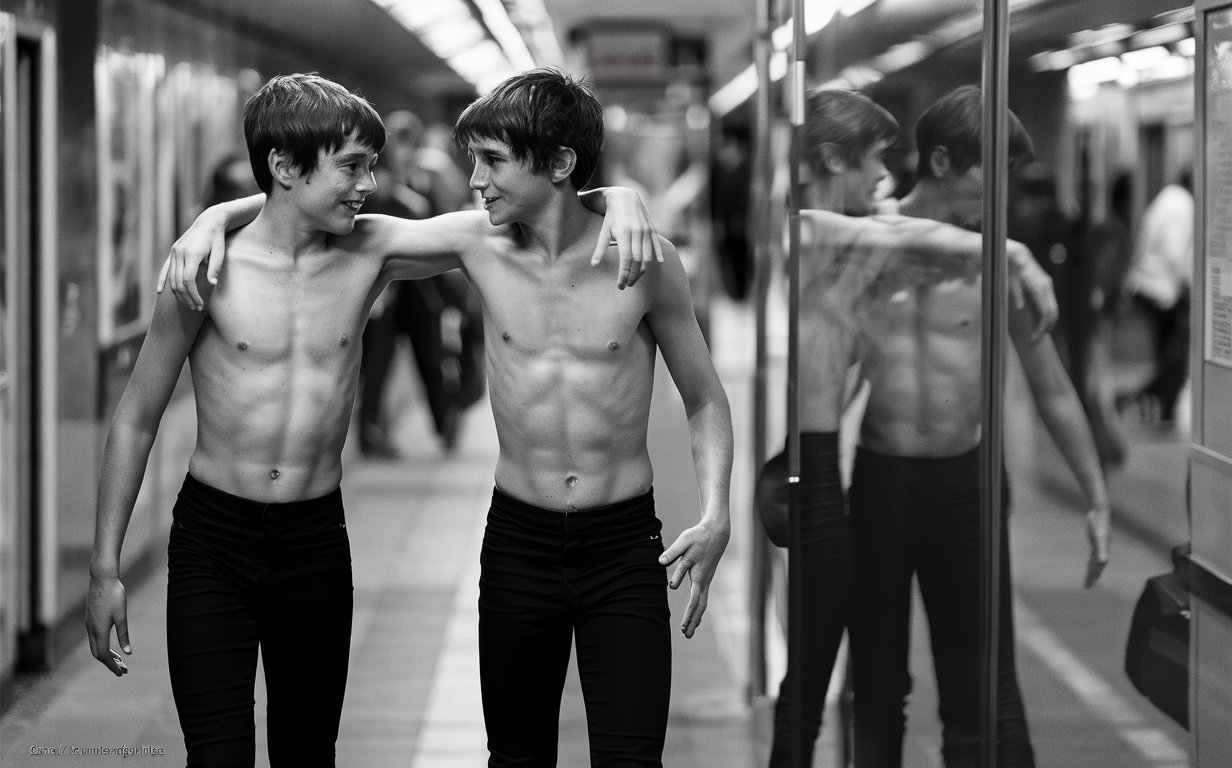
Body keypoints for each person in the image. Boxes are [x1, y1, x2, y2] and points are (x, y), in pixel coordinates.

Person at [159, 67, 732, 768]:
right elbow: (310, 209)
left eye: (491, 161)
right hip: (519, 541)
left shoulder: (647, 259)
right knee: (515, 757)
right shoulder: (473, 241)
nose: (476, 180)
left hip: (622, 545)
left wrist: (716, 511)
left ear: (558, 163)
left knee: (633, 758)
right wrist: (212, 216)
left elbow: (704, 398)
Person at [758, 89, 1059, 768]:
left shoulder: (867, 234)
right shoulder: (806, 227)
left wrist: (1002, 252)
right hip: (815, 473)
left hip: (840, 468)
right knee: (810, 688)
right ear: (835, 158)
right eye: (874, 161)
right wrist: (1013, 251)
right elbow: (884, 236)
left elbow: (902, 238)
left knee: (853, 685)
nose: (884, 176)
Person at [844, 85, 1111, 768]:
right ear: (940, 162)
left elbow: (1051, 387)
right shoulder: (867, 239)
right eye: (990, 173)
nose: (1004, 194)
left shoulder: (998, 264)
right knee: (876, 684)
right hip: (881, 481)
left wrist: (1096, 494)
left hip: (966, 488)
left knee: (983, 690)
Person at [1120, 169, 1194, 425]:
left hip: (1150, 284)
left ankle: (1150, 401)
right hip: (1162, 290)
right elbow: (1175, 254)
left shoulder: (1167, 199)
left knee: (1170, 355)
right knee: (1175, 355)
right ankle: (1149, 402)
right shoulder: (1181, 205)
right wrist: (1191, 288)